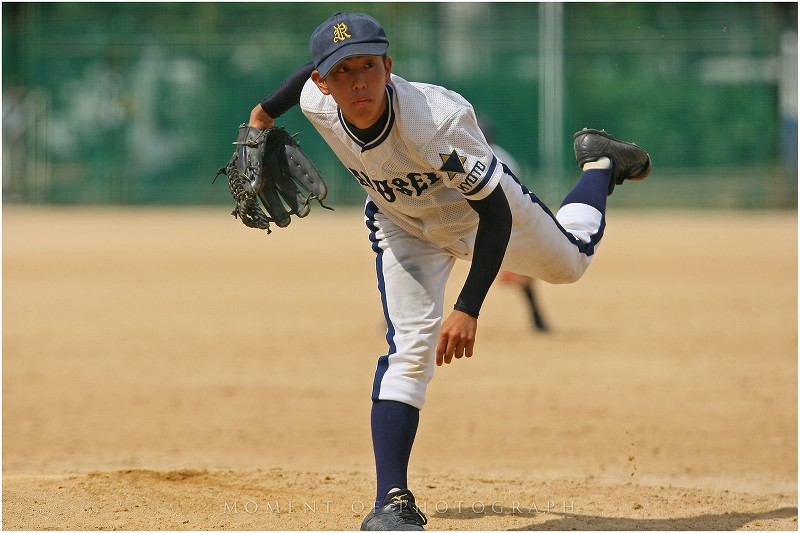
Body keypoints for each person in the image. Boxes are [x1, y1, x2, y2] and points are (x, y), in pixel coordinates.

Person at [246, 12, 650, 531]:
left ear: (389, 67)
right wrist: (261, 115)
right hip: (404, 225)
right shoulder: (314, 97)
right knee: (410, 350)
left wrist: (468, 307)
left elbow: (496, 214)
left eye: (369, 65)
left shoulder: (433, 123)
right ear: (324, 82)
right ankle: (391, 502)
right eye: (342, 71)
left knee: (572, 263)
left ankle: (600, 165)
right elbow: (301, 79)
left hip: (485, 216)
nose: (359, 81)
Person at [478, 117, 551, 332]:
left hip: (499, 222)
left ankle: (537, 318)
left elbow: (514, 200)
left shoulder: (503, 161)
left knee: (524, 270)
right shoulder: (461, 154)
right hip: (463, 222)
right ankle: (399, 317)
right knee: (430, 261)